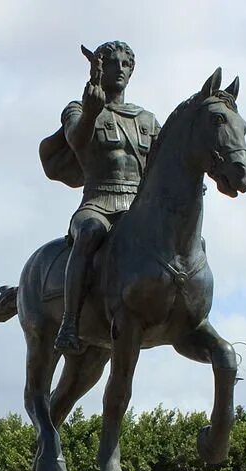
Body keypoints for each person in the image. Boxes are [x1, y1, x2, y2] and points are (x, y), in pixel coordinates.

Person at [39, 41, 159, 354]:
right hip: (98, 203)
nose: (119, 69)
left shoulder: (147, 120)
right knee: (89, 233)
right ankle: (69, 322)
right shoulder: (78, 109)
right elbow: (77, 141)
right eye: (112, 63)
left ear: (131, 71)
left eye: (125, 64)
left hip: (138, 210)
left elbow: (164, 165)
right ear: (99, 69)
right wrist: (91, 113)